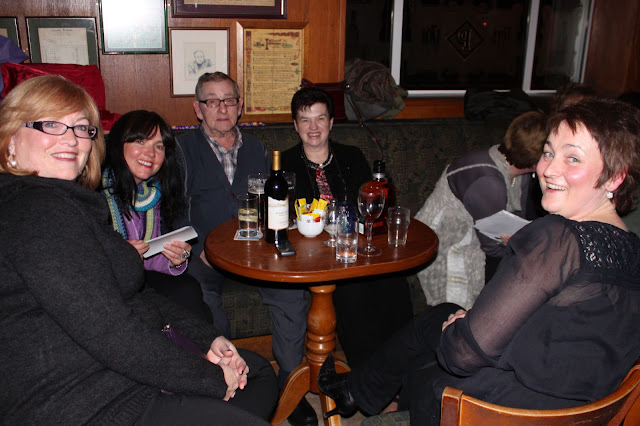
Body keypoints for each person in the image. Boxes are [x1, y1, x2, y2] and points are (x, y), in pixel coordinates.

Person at [317, 97, 640, 425]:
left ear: (615, 177)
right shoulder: (633, 250)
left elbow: (461, 356)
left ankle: (366, 395)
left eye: (573, 158)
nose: (549, 169)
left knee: (431, 354)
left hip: (496, 413)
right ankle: (358, 390)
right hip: (576, 407)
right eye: (548, 152)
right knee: (442, 314)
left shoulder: (558, 238)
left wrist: (459, 330)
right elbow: (564, 332)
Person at [0, 75, 278, 424]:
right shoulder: (37, 211)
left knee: (257, 371)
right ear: (10, 139)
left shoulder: (70, 204)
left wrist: (208, 338)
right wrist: (208, 378)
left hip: (115, 372)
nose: (70, 140)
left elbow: (136, 294)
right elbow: (110, 331)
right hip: (87, 401)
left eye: (82, 128)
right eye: (51, 125)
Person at [177, 72, 311, 426]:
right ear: (198, 109)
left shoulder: (256, 148)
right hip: (203, 255)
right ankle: (222, 386)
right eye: (212, 101)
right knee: (200, 301)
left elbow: (272, 202)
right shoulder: (180, 149)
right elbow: (173, 206)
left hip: (254, 253)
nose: (221, 108)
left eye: (229, 100)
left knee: (291, 293)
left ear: (239, 106)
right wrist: (195, 246)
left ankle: (290, 387)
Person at [281, 86, 413, 414]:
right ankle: (374, 389)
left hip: (353, 247)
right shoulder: (284, 164)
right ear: (295, 125)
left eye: (320, 118)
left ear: (331, 122)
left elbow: (372, 205)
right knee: (352, 293)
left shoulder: (351, 156)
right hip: (313, 256)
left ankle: (405, 380)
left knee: (394, 284)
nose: (313, 127)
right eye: (305, 120)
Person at [415, 111, 547, 309]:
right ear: (536, 160)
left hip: (481, 235)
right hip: (447, 241)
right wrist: (525, 248)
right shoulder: (489, 182)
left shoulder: (516, 169)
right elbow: (492, 247)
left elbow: (522, 217)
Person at [100, 110, 211, 322]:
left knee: (189, 290)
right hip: (106, 283)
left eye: (159, 146)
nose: (150, 153)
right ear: (118, 144)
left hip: (142, 278)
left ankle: (206, 342)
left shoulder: (155, 193)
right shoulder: (96, 192)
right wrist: (119, 254)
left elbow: (150, 259)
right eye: (140, 142)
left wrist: (175, 259)